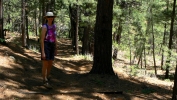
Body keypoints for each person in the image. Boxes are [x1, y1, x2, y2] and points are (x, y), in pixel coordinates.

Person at [41, 12, 57, 88]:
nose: (50, 18)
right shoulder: (44, 27)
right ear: (46, 18)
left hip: (52, 45)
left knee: (50, 63)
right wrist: (43, 52)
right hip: (46, 45)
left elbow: (55, 37)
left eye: (52, 17)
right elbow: (41, 40)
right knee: (45, 64)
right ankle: (44, 80)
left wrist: (56, 48)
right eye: (49, 17)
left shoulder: (54, 26)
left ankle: (47, 77)